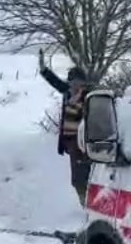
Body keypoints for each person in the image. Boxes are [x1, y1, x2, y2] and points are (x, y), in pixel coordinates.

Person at [38, 50, 92, 206]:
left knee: (86, 178)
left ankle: (90, 205)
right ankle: (85, 204)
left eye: (76, 83)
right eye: (71, 82)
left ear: (83, 83)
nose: (73, 86)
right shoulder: (67, 93)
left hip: (85, 144)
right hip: (72, 144)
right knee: (76, 181)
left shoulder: (88, 96)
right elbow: (53, 80)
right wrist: (43, 68)